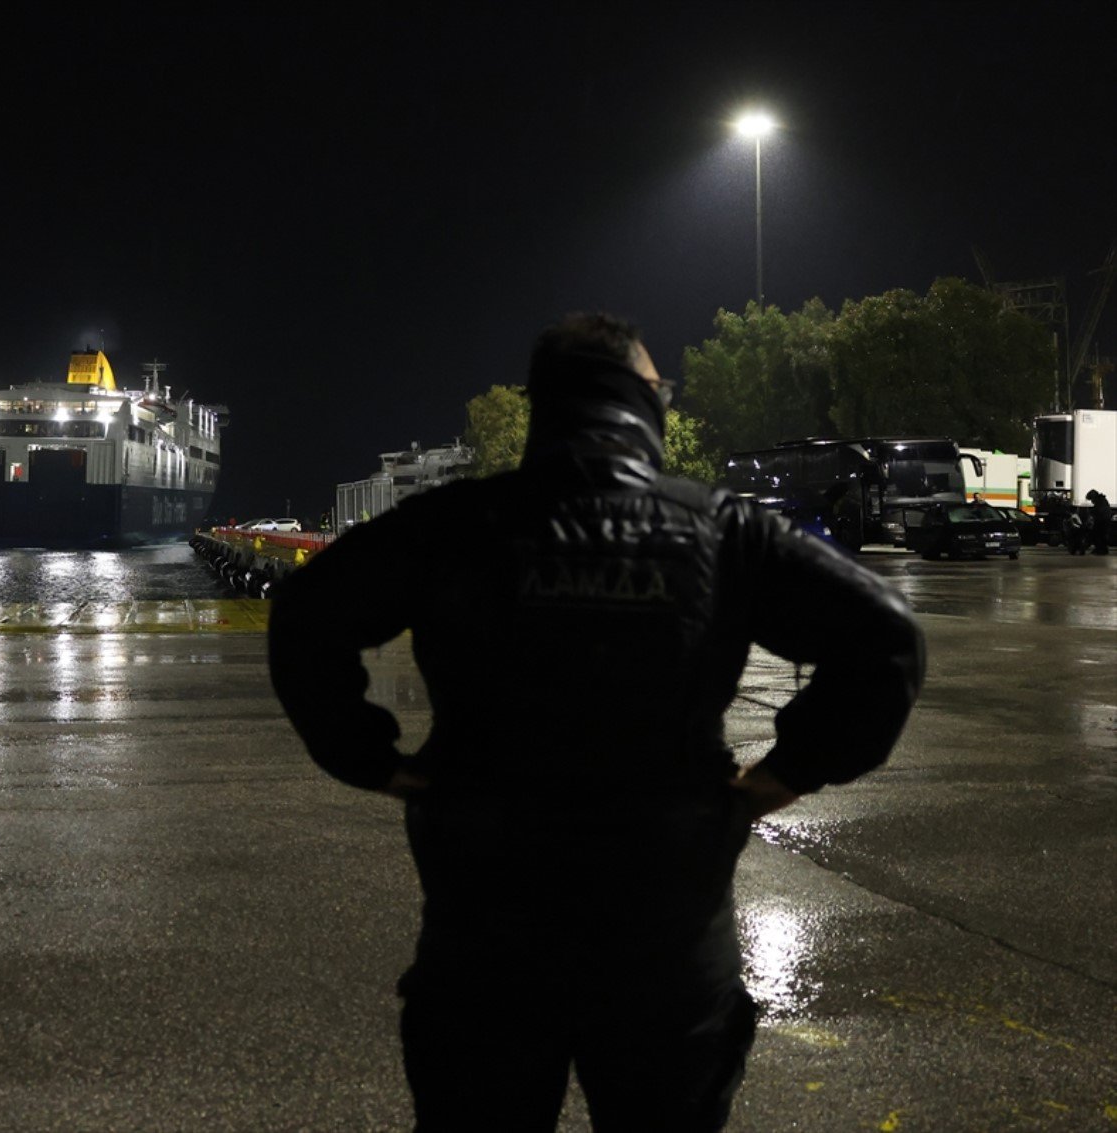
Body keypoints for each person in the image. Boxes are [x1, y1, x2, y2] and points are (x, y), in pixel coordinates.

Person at [268, 313, 925, 1130]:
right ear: (644, 401)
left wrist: (372, 758)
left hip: (486, 927)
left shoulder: (455, 524)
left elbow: (304, 613)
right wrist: (780, 775)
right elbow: (886, 637)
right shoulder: (722, 531)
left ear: (546, 405)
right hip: (667, 931)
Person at [1087, 490, 1111, 555]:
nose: (1091, 501)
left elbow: (1099, 510)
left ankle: (1100, 549)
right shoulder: (1101, 500)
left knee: (1098, 535)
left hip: (1102, 521)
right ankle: (1101, 549)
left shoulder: (1100, 501)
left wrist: (1092, 512)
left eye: (1091, 499)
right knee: (1101, 535)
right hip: (1104, 520)